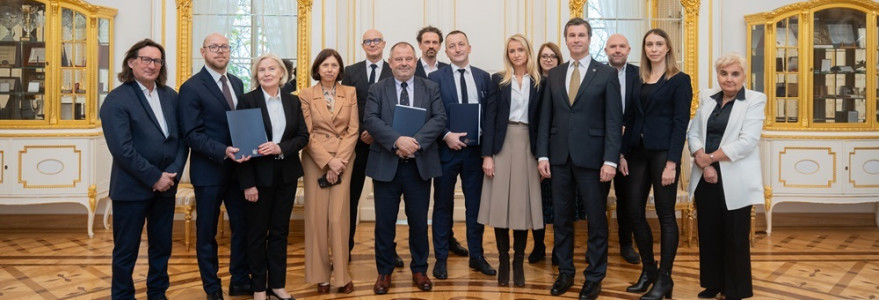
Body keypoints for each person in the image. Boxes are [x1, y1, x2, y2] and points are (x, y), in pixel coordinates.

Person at [536, 17, 622, 300]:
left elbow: (613, 120)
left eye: (581, 35)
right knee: (562, 219)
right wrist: (543, 154)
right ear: (566, 39)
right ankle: (565, 273)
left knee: (596, 221)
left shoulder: (606, 73)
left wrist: (610, 160)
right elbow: (546, 117)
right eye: (571, 35)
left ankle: (594, 277)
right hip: (559, 158)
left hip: (594, 160)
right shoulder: (556, 74)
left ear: (589, 38)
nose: (576, 39)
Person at [101, 39, 187, 300]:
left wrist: (171, 174)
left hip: (166, 187)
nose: (152, 65)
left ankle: (157, 293)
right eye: (146, 59)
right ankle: (123, 295)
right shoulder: (116, 100)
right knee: (126, 249)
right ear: (131, 62)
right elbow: (122, 149)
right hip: (131, 189)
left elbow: (182, 139)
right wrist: (154, 177)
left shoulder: (170, 96)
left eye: (157, 61)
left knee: (162, 247)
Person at [363, 42, 446, 295]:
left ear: (415, 60)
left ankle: (419, 269)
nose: (404, 63)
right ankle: (384, 271)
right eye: (398, 59)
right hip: (386, 164)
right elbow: (371, 120)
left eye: (408, 59)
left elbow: (439, 118)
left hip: (418, 165)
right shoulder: (377, 88)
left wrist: (415, 143)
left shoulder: (430, 87)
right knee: (385, 223)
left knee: (419, 222)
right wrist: (397, 141)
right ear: (390, 62)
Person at [620, 28, 692, 300]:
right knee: (634, 212)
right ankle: (648, 271)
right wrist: (623, 154)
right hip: (637, 153)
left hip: (664, 154)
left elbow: (680, 123)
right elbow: (629, 118)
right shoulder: (638, 78)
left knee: (665, 215)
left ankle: (665, 279)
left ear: (668, 48)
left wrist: (672, 163)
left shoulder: (679, 80)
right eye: (649, 44)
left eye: (659, 43)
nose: (653, 48)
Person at [178, 33, 251, 300]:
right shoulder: (191, 87)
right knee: (207, 233)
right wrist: (224, 151)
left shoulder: (237, 82)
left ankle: (240, 279)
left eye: (224, 47)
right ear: (203, 51)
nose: (220, 51)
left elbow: (241, 123)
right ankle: (212, 288)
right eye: (214, 47)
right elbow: (191, 134)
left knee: (242, 227)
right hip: (209, 171)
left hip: (239, 170)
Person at [688, 53, 765, 300]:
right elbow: (693, 132)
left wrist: (710, 158)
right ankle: (712, 283)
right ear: (718, 75)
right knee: (708, 232)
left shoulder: (754, 100)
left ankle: (735, 289)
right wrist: (703, 161)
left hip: (735, 177)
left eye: (735, 74)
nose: (729, 79)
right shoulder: (707, 98)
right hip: (705, 175)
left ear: (743, 75)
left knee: (735, 235)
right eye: (724, 74)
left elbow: (747, 142)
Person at [236, 53, 309, 300]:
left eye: (272, 69)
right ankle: (258, 288)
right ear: (256, 75)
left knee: (280, 232)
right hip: (258, 177)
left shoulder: (293, 102)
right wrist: (248, 184)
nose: (267, 73)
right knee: (256, 234)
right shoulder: (247, 101)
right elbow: (241, 146)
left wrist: (281, 147)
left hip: (286, 175)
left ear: (281, 73)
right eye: (262, 70)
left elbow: (302, 137)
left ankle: (277, 285)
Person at [428, 30, 497, 280]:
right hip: (446, 152)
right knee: (443, 206)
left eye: (461, 44)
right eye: (451, 46)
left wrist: (487, 151)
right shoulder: (434, 78)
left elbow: (489, 118)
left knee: (475, 207)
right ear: (445, 52)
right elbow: (432, 114)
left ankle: (477, 257)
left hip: (475, 153)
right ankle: (441, 259)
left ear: (470, 47)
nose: (457, 49)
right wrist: (446, 134)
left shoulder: (483, 78)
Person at [478, 34, 544, 287]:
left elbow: (543, 121)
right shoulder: (499, 80)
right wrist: (487, 155)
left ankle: (518, 262)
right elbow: (490, 118)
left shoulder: (540, 82)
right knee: (500, 207)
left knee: (521, 207)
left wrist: (542, 157)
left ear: (528, 51)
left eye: (520, 49)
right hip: (502, 143)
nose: (516, 54)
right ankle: (504, 262)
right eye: (512, 50)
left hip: (529, 145)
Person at [340, 29, 404, 268]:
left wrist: (378, 133)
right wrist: (362, 132)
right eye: (368, 41)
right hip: (357, 144)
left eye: (377, 40)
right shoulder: (350, 72)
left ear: (384, 44)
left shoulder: (395, 69)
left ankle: (390, 252)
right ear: (362, 45)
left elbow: (400, 106)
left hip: (386, 145)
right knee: (350, 198)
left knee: (387, 204)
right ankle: (344, 248)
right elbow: (346, 107)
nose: (373, 44)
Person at [299, 49, 357, 294]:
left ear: (339, 69)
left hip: (344, 158)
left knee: (338, 218)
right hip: (315, 160)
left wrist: (338, 162)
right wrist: (327, 162)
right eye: (325, 65)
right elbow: (307, 133)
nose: (330, 69)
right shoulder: (305, 95)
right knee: (316, 219)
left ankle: (342, 277)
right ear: (318, 69)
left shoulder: (350, 92)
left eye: (334, 65)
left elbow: (353, 130)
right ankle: (320, 276)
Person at [414, 26, 467, 257]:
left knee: (445, 196)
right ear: (420, 45)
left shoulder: (448, 69)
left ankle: (448, 238)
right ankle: (422, 245)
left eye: (435, 42)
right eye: (427, 42)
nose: (431, 46)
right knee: (423, 200)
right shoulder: (408, 68)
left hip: (446, 145)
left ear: (440, 46)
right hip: (420, 144)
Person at [603, 33, 641, 265]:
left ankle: (626, 244)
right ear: (606, 50)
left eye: (622, 46)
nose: (617, 50)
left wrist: (627, 132)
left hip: (632, 148)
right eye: (612, 46)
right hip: (601, 148)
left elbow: (644, 110)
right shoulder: (595, 73)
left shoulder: (641, 75)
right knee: (596, 199)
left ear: (629, 50)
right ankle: (597, 246)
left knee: (628, 198)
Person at [530, 42, 564, 266]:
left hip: (561, 150)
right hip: (536, 150)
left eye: (553, 56)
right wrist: (538, 155)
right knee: (538, 205)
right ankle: (539, 245)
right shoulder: (533, 85)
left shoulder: (564, 83)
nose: (549, 59)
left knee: (561, 206)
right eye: (544, 56)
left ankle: (559, 250)